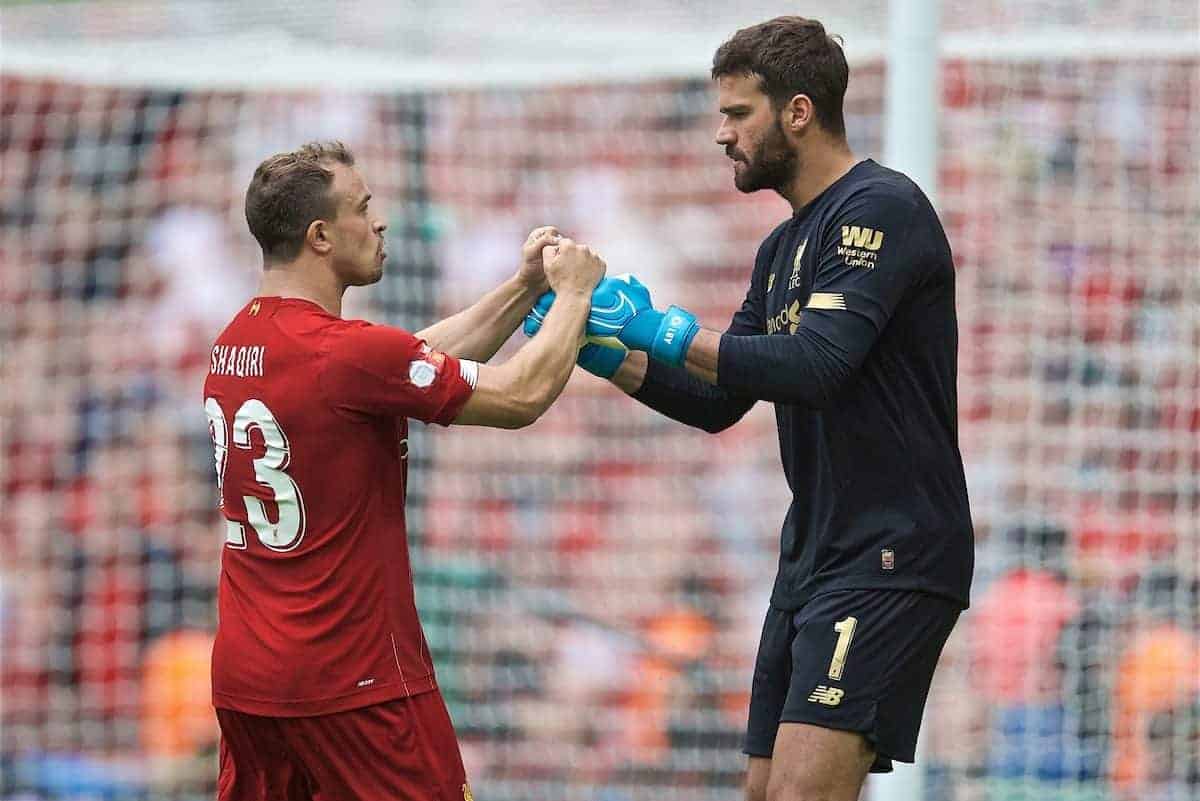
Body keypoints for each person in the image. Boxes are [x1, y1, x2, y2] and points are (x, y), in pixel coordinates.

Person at [528, 16, 974, 801]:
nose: (720, 134)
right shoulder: (780, 249)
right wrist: (607, 355)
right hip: (814, 554)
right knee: (766, 791)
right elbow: (720, 399)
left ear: (797, 112)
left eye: (737, 114)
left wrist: (658, 327)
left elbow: (819, 364)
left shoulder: (882, 209)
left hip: (891, 552)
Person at [202, 141, 603, 801]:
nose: (378, 221)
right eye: (364, 207)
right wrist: (573, 295)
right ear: (321, 235)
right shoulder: (346, 354)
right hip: (354, 678)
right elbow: (522, 394)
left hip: (250, 675)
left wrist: (524, 285)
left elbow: (408, 363)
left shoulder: (235, 343)